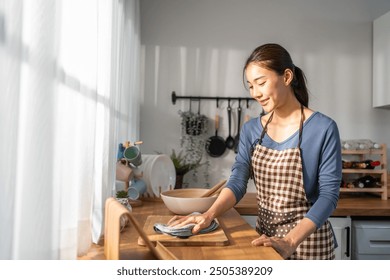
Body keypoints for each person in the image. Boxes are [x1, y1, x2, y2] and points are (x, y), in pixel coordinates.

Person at [168, 43, 342, 260]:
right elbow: (238, 181)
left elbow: (328, 196)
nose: (255, 93)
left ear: (287, 77)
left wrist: (289, 241)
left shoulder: (322, 128)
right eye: (250, 86)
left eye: (261, 83)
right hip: (264, 242)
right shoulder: (252, 130)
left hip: (308, 245)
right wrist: (208, 214)